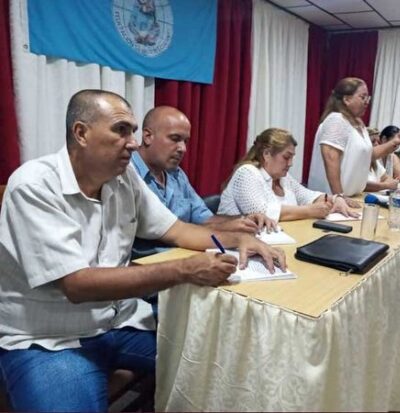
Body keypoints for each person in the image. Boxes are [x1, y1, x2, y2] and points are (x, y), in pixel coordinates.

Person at [0, 89, 285, 412]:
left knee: (221, 362)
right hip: (50, 339)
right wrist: (184, 270)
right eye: (121, 130)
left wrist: (238, 240)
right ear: (81, 133)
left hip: (121, 323)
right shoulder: (35, 185)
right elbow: (77, 285)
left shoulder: (124, 179)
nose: (133, 142)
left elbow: (176, 230)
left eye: (133, 131)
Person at [131, 106, 277, 259]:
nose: (183, 148)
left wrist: (241, 219)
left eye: (185, 141)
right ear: (148, 136)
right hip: (148, 263)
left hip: (186, 254)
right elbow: (175, 231)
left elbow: (204, 219)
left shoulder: (177, 174)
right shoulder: (128, 173)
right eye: (174, 139)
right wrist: (229, 233)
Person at [218, 128, 358, 221]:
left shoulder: (283, 178)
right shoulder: (247, 173)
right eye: (286, 157)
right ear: (267, 154)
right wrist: (309, 211)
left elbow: (309, 196)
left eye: (292, 158)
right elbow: (261, 212)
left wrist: (335, 199)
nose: (290, 163)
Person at [307, 77, 400, 203]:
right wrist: (339, 197)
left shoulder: (358, 123)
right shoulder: (337, 120)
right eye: (362, 97)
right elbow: (331, 158)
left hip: (351, 197)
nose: (366, 102)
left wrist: (394, 141)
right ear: (347, 99)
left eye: (368, 98)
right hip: (330, 200)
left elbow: (369, 155)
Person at [365, 128, 399, 192]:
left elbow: (387, 178)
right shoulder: (358, 161)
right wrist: (386, 185)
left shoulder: (375, 162)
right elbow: (363, 185)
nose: (377, 144)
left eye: (378, 141)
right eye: (373, 141)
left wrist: (387, 184)